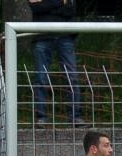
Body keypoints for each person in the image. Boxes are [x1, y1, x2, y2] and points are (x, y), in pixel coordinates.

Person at [28, 0, 88, 129]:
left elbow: (70, 10)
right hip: (41, 36)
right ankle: (41, 117)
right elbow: (35, 7)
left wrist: (48, 5)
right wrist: (60, 2)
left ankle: (75, 117)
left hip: (65, 36)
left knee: (71, 77)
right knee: (41, 78)